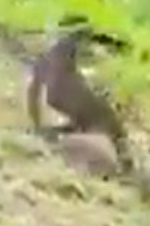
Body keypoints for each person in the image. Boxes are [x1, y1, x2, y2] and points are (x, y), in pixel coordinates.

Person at [27, 17, 133, 173]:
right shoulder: (54, 62)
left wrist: (38, 126)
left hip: (91, 121)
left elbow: (33, 96)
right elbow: (33, 97)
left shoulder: (49, 63)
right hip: (90, 120)